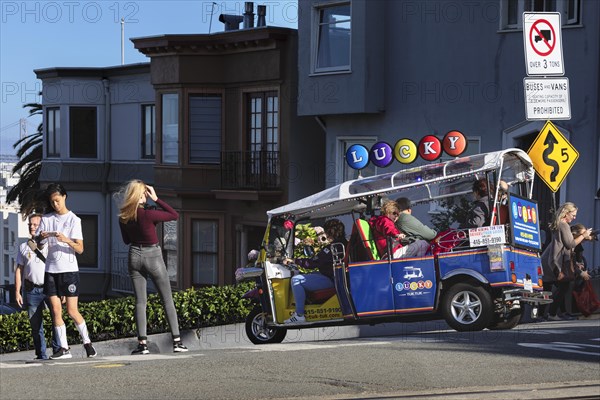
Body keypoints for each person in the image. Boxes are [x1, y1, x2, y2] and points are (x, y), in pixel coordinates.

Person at [117, 180, 188, 354]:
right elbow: (173, 215)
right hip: (153, 255)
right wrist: (156, 199)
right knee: (167, 299)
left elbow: (126, 240)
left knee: (140, 302)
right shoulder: (148, 214)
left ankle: (142, 344)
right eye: (145, 194)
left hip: (134, 254)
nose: (146, 196)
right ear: (141, 195)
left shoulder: (124, 216)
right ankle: (177, 342)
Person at [36, 183, 97, 359]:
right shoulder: (46, 219)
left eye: (57, 200)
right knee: (56, 310)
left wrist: (66, 239)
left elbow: (80, 249)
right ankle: (64, 348)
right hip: (51, 270)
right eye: (52, 201)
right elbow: (39, 245)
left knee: (72, 310)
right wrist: (41, 238)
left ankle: (87, 343)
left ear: (64, 197)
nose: (55, 204)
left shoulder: (73, 220)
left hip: (69, 270)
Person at [283, 219, 346, 324]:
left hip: (331, 279)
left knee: (296, 280)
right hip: (336, 277)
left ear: (330, 232)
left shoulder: (331, 248)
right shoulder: (343, 243)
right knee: (306, 275)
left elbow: (312, 263)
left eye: (326, 231)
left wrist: (294, 260)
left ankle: (299, 315)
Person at [15, 213, 60, 360]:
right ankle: (41, 354)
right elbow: (19, 270)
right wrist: (17, 291)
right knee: (36, 325)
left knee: (56, 321)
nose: (32, 227)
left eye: (35, 224)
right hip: (31, 289)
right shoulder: (23, 246)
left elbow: (59, 267)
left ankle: (58, 351)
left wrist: (62, 290)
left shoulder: (51, 245)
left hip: (50, 287)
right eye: (30, 224)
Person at [540, 202, 593, 321]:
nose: (574, 218)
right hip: (556, 261)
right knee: (564, 285)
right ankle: (552, 314)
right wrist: (584, 235)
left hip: (554, 261)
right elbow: (570, 244)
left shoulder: (560, 224)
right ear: (566, 213)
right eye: (573, 215)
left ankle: (551, 314)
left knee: (561, 286)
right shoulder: (564, 225)